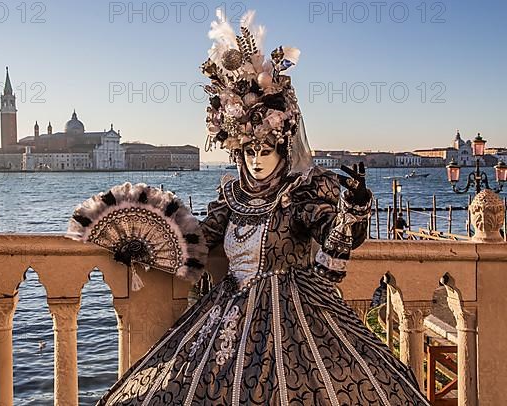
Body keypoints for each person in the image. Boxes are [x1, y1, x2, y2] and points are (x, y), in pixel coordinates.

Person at [97, 10, 430, 406]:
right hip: (230, 312)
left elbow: (333, 238)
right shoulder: (233, 197)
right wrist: (147, 243)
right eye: (250, 151)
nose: (257, 160)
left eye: (266, 151)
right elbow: (197, 241)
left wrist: (353, 207)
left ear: (283, 149)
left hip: (297, 314)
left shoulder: (299, 195)